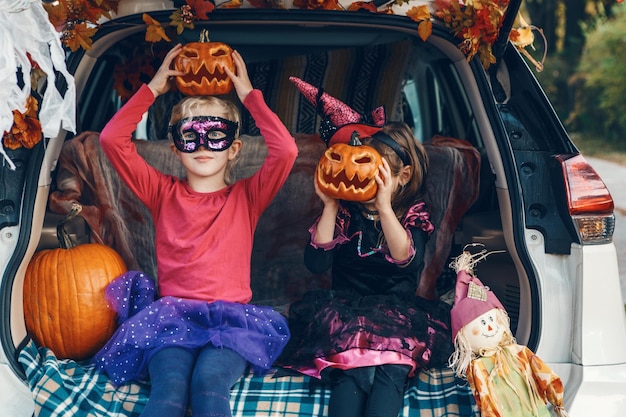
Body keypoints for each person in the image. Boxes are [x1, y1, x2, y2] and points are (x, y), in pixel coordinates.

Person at [92, 44, 298, 417]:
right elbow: (111, 140)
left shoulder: (247, 197)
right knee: (169, 389)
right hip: (172, 319)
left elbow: (285, 151)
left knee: (209, 384)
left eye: (216, 135)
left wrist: (248, 95)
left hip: (233, 323)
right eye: (191, 135)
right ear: (175, 147)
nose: (203, 146)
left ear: (234, 148)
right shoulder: (160, 192)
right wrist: (153, 88)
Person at [279, 78, 454, 417]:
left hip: (399, 316)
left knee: (389, 373)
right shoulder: (346, 213)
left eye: (369, 169)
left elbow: (406, 259)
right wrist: (329, 206)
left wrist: (386, 208)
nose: (355, 173)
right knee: (352, 374)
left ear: (400, 178)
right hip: (346, 312)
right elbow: (315, 263)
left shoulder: (414, 214)